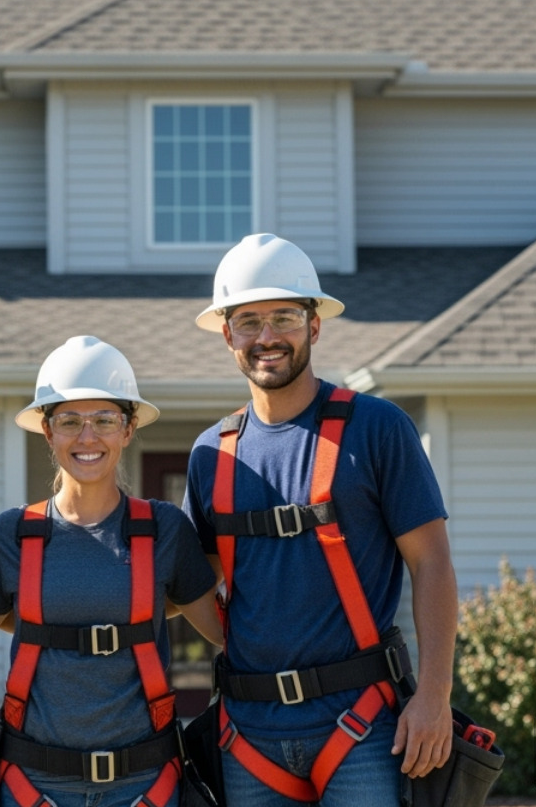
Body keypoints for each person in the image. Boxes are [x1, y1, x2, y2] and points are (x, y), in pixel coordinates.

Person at [181, 233, 457, 807]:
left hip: (362, 728)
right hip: (248, 735)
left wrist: (434, 694)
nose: (267, 336)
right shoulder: (212, 454)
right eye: (248, 321)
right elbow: (196, 586)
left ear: (314, 325)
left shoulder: (376, 428)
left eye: (284, 317)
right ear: (228, 334)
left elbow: (431, 563)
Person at [0, 336, 225, 807]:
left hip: (145, 785)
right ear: (47, 432)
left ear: (128, 429)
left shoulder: (165, 530)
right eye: (69, 421)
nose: (87, 437)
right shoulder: (15, 534)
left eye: (105, 420)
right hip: (31, 786)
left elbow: (226, 631)